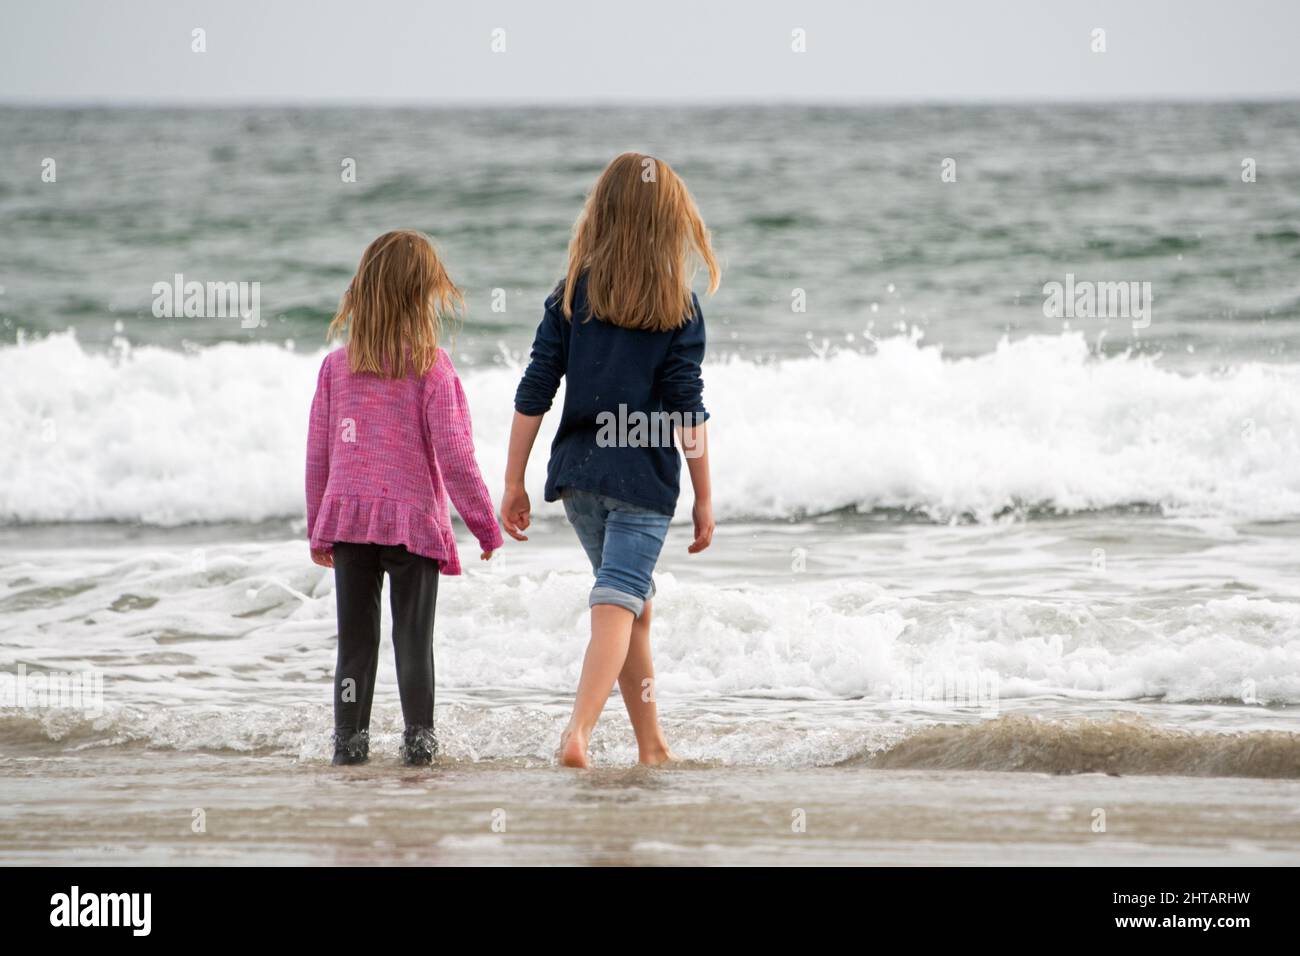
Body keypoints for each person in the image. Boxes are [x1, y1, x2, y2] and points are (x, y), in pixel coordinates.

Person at [502, 153, 719, 768]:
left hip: (579, 480)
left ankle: (651, 746)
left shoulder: (571, 295)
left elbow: (533, 391)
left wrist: (514, 479)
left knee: (632, 608)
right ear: (668, 222)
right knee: (617, 602)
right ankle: (578, 734)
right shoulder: (678, 305)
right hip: (643, 483)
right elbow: (687, 411)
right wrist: (704, 496)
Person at [306, 230, 501, 766]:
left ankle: (348, 750)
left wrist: (317, 527)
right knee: (413, 643)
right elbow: (457, 456)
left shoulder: (336, 368)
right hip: (412, 526)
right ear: (423, 298)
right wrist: (485, 525)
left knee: (355, 648)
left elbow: (318, 457)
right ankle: (420, 750)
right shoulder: (430, 367)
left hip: (348, 526)